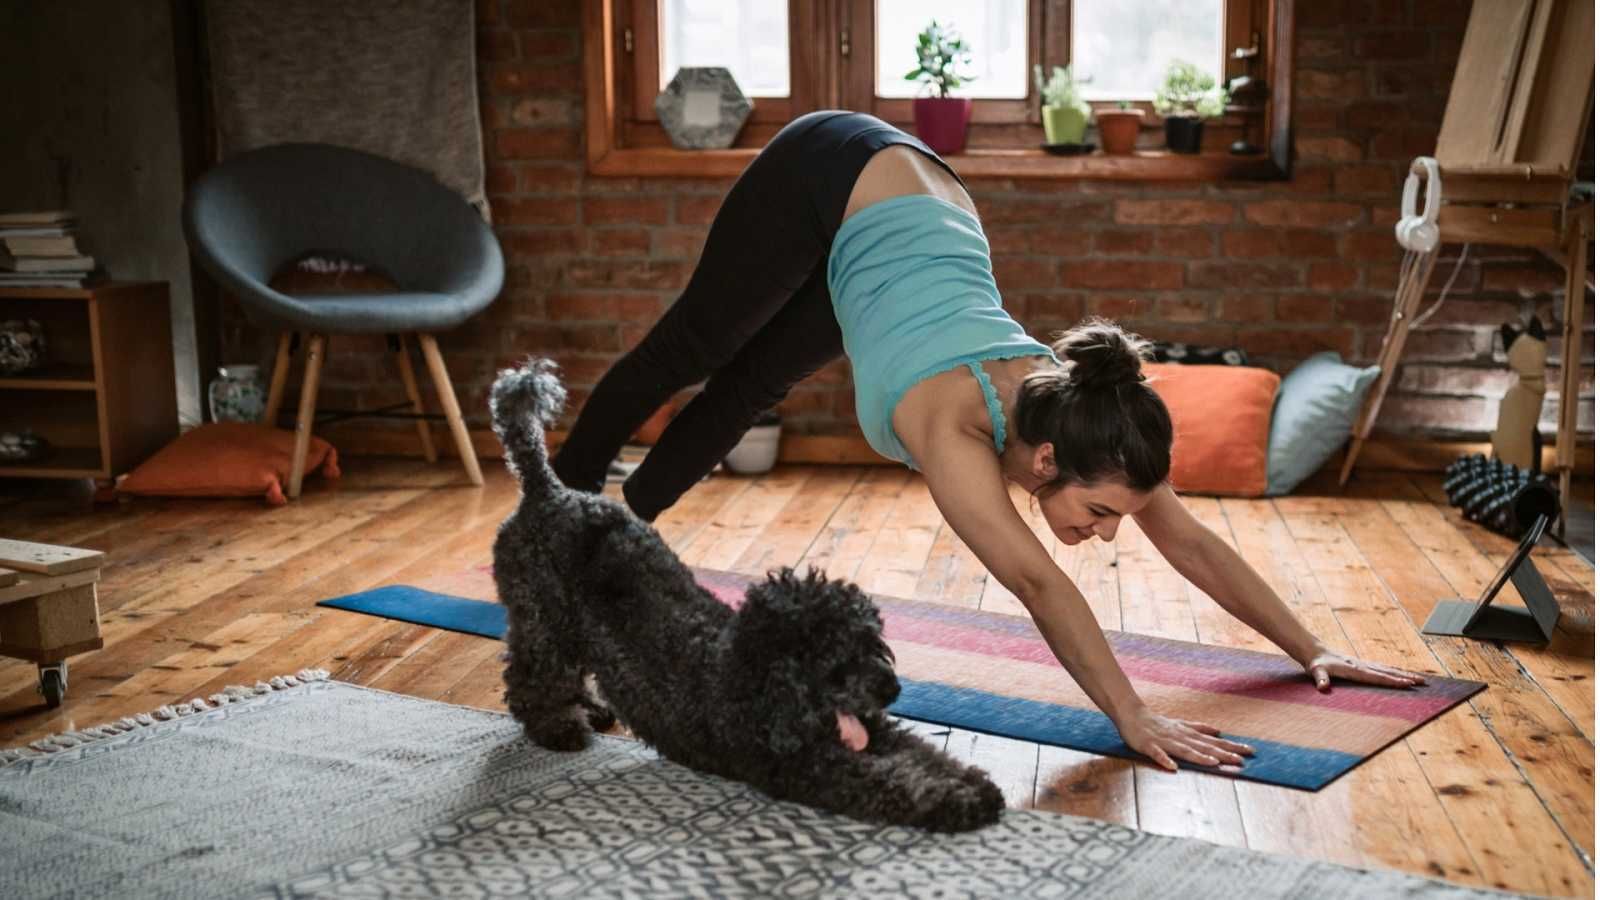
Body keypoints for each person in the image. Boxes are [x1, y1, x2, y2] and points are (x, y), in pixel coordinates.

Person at [553, 111, 1424, 771]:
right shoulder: (954, 429)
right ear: (1045, 464)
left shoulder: (1088, 424)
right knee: (695, 352)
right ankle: (557, 509)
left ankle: (618, 523)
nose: (1110, 533)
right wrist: (1131, 715)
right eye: (1101, 513)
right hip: (833, 169)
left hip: (914, 210)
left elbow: (1188, 538)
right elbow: (1040, 583)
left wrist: (1309, 646)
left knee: (754, 384)